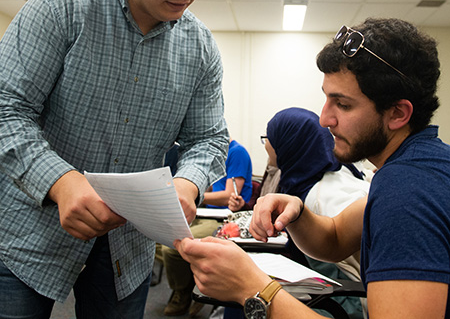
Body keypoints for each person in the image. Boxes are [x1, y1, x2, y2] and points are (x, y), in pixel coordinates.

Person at [0, 0, 229, 319]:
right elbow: (6, 109)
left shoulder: (199, 48)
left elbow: (209, 138)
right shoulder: (62, 8)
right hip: (27, 230)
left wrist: (188, 184)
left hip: (128, 245)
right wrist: (61, 181)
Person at [175, 18, 450, 319]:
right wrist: (298, 212)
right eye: (326, 99)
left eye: (343, 105)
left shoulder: (407, 193)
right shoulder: (416, 167)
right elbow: (334, 238)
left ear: (397, 113)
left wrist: (253, 288)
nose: (324, 119)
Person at [229, 107, 370, 318]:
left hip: (347, 301)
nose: (267, 144)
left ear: (290, 144)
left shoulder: (318, 197)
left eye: (270, 138)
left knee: (241, 293)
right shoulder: (324, 177)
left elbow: (334, 278)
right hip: (342, 290)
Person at [162, 139, 252, 316]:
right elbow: (212, 186)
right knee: (158, 240)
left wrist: (193, 195)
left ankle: (184, 290)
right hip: (207, 213)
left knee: (171, 247)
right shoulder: (217, 154)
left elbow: (228, 196)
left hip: (222, 218)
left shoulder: (236, 153)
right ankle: (190, 281)